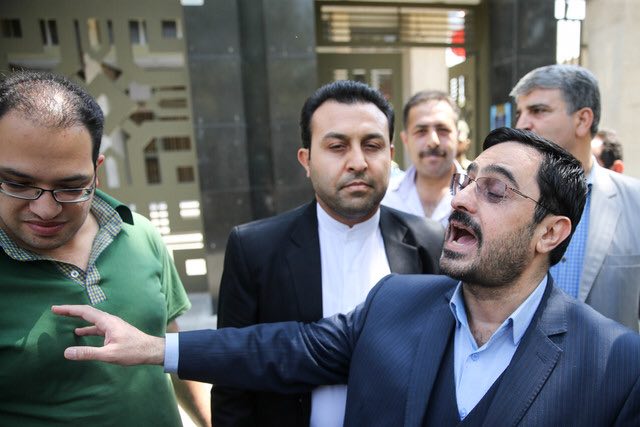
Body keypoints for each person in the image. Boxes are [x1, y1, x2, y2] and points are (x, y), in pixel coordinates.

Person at [54, 128, 640, 426]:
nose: (461, 199)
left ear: (550, 232)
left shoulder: (613, 364)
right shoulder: (396, 303)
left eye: (495, 191)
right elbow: (284, 348)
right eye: (467, 181)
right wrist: (157, 348)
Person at [214, 80, 444, 427]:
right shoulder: (255, 249)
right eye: (337, 146)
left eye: (372, 146)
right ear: (306, 160)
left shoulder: (429, 242)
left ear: (391, 155)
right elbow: (232, 374)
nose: (357, 162)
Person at [0, 71, 210, 426]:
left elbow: (173, 349)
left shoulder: (140, 235)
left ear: (97, 171)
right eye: (18, 184)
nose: (46, 209)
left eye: (71, 187)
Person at [511, 64, 640, 331]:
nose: (522, 124)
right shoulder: (503, 197)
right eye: (520, 113)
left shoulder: (634, 202)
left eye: (538, 110)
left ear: (582, 120)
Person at [382, 90, 466, 227]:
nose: (433, 141)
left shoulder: (479, 196)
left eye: (443, 130)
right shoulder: (385, 199)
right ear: (405, 139)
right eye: (421, 131)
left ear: (457, 136)